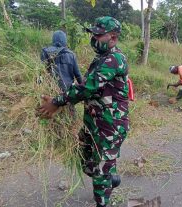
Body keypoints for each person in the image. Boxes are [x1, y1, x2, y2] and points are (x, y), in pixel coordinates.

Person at [37, 17, 129, 207]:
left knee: (100, 172)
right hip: (93, 124)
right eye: (93, 34)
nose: (94, 38)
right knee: (86, 161)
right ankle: (111, 178)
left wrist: (56, 102)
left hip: (110, 127)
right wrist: (59, 101)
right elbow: (80, 85)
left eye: (98, 35)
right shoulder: (100, 58)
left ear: (113, 37)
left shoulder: (115, 59)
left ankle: (104, 198)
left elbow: (87, 87)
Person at [41, 30, 82, 118]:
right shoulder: (71, 55)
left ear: (53, 40)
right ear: (65, 41)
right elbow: (78, 75)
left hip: (51, 90)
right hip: (67, 92)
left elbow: (41, 72)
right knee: (70, 115)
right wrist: (82, 89)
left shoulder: (45, 52)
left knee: (50, 115)